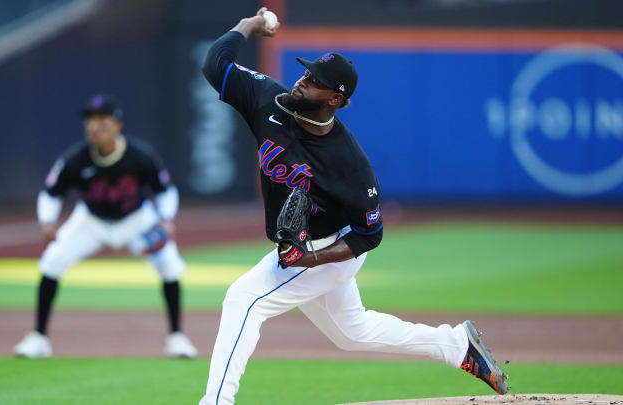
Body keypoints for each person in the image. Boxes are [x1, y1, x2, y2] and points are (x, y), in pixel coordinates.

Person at [198, 8, 509, 404]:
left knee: (244, 299)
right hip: (303, 243)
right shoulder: (267, 100)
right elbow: (216, 62)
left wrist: (310, 259)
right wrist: (252, 25)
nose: (303, 80)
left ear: (335, 98)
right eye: (307, 73)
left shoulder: (349, 164)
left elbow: (369, 235)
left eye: (315, 81)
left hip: (334, 246)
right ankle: (456, 345)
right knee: (351, 332)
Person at [13, 94, 198, 359]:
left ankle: (177, 338)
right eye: (90, 120)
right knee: (51, 262)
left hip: (136, 220)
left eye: (102, 120)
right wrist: (48, 221)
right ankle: (39, 338)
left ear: (117, 125)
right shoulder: (75, 159)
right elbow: (51, 193)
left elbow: (166, 191)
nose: (94, 126)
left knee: (170, 265)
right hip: (91, 221)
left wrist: (167, 218)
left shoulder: (140, 156)